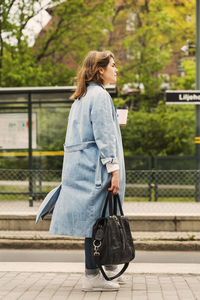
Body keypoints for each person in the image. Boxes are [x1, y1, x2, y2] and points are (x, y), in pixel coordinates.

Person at [49, 50, 126, 291]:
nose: (116, 69)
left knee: (96, 220)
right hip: (97, 172)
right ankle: (93, 275)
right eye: (112, 65)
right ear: (100, 70)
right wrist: (113, 169)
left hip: (82, 171)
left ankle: (107, 268)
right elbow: (103, 136)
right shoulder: (100, 97)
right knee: (98, 222)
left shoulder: (82, 97)